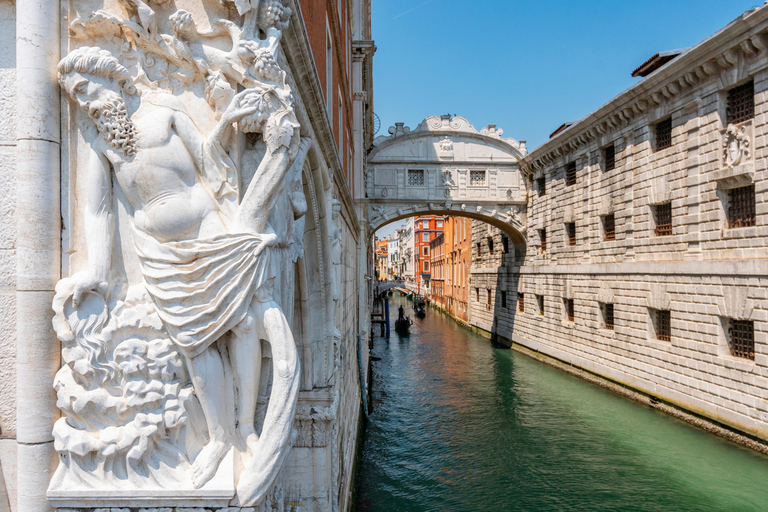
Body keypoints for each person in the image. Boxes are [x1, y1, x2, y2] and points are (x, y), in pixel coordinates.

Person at [58, 45, 306, 494]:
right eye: (76, 97)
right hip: (157, 252)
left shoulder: (166, 110)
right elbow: (97, 212)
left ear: (111, 76)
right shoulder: (99, 141)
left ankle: (246, 427)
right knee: (194, 343)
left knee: (243, 322)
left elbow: (212, 166)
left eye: (85, 89)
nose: (84, 101)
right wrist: (97, 269)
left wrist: (240, 224)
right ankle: (216, 438)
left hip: (208, 229)